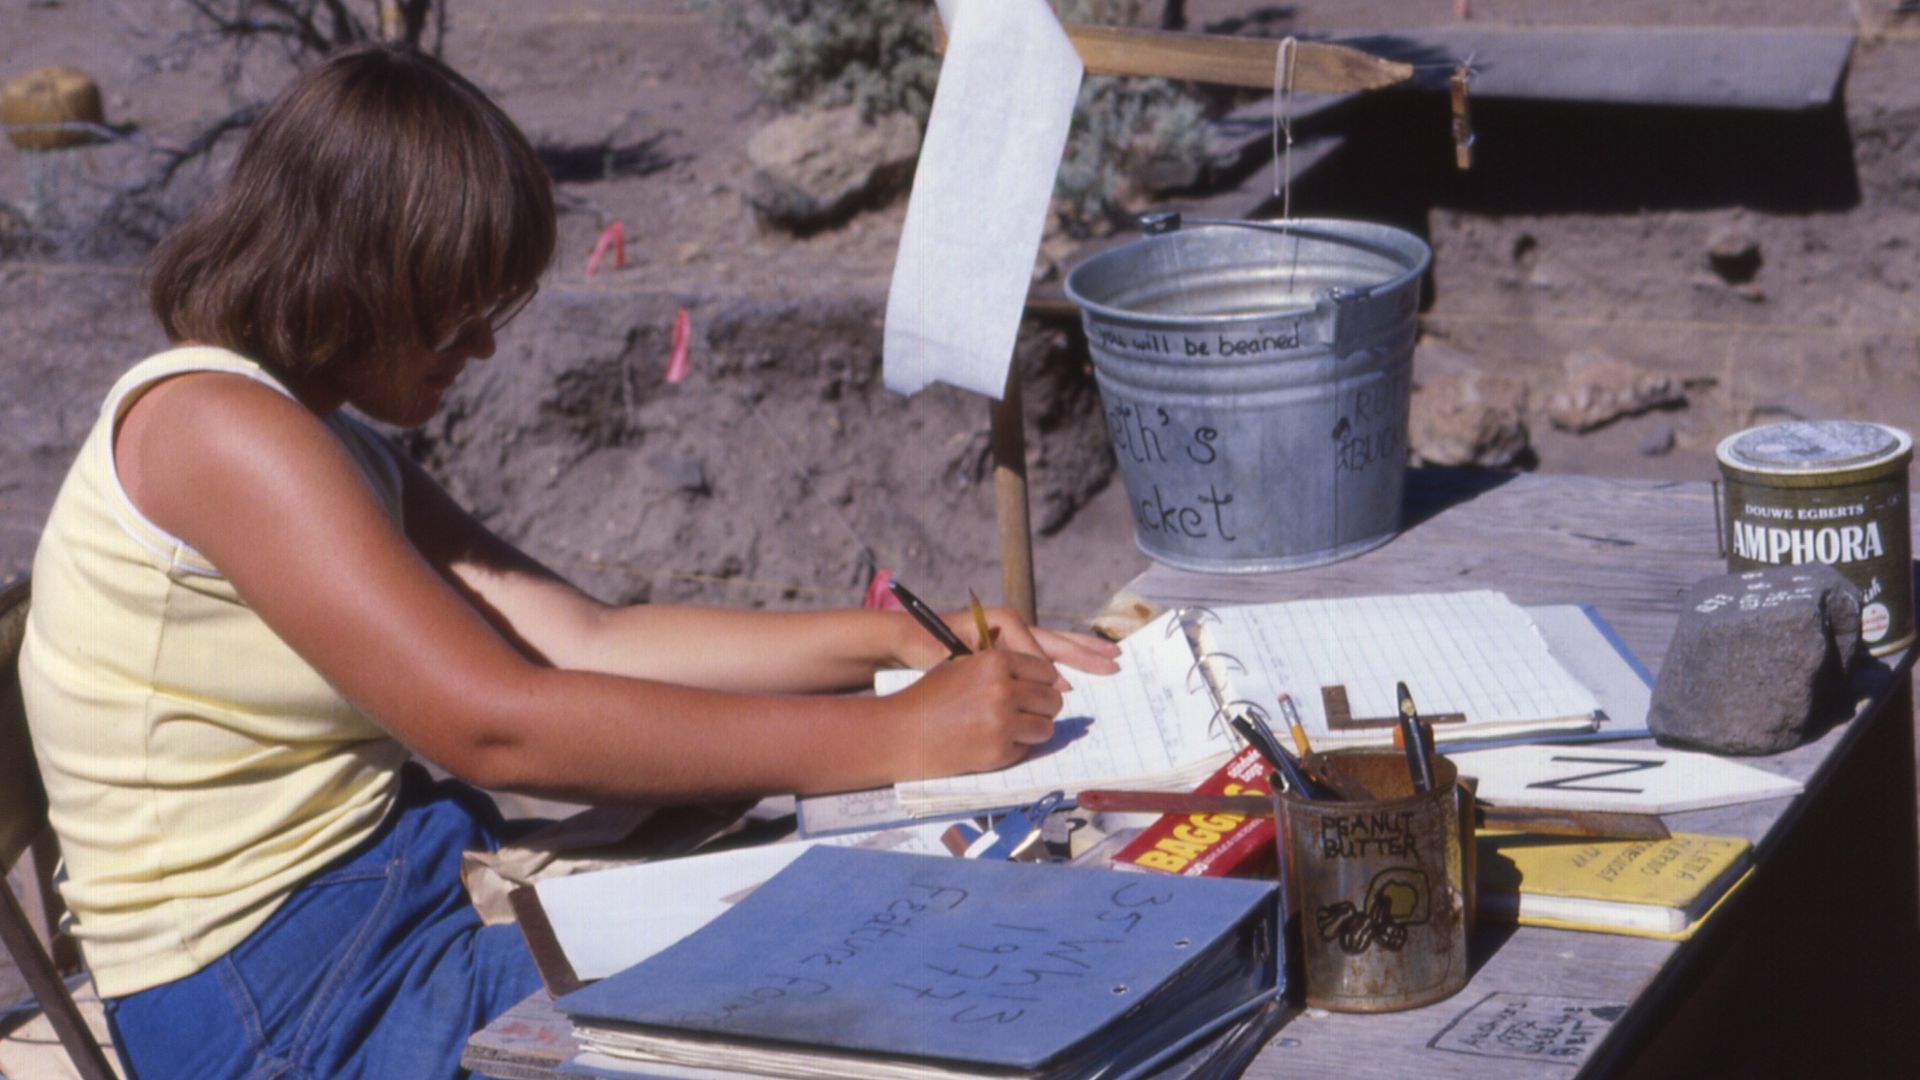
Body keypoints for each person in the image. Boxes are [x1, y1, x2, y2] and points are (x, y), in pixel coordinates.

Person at [16, 42, 1120, 1079]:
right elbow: (499, 727)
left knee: (856, 934)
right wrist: (896, 734)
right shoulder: (217, 432)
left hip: (374, 915)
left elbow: (588, 638)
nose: (484, 345)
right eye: (455, 314)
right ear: (356, 281)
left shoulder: (312, 432)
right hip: (287, 1000)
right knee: (844, 985)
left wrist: (892, 643)